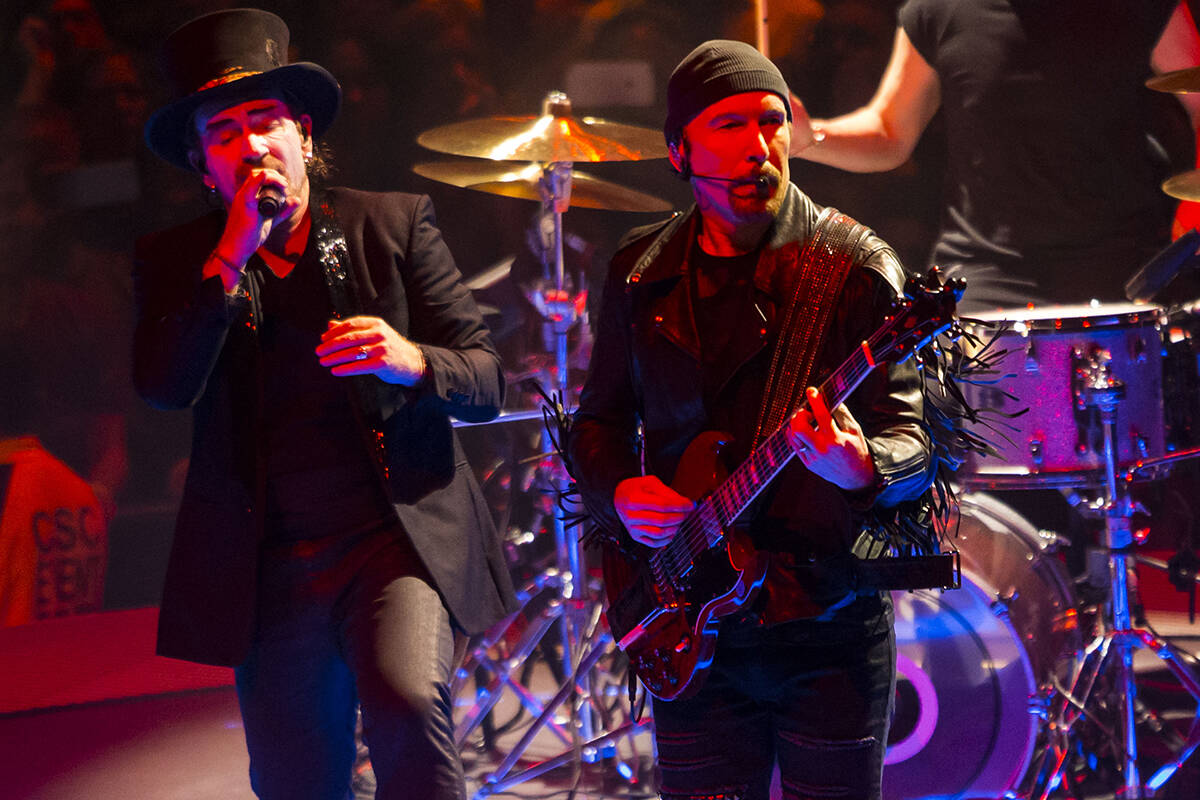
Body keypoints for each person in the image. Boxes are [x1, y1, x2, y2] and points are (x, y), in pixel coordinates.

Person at [133, 9, 515, 799]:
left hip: (391, 537)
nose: (251, 145)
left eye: (265, 121)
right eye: (225, 131)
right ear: (204, 164)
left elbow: (488, 380)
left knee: (407, 704)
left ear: (302, 136)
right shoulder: (178, 261)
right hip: (267, 559)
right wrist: (230, 256)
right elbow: (164, 388)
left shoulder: (394, 225)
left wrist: (412, 360)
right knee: (295, 777)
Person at [567, 40, 936, 800]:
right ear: (679, 150)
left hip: (825, 624)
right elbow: (596, 423)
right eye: (729, 125)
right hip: (690, 621)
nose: (759, 146)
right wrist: (618, 492)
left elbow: (918, 445)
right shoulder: (639, 272)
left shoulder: (856, 267)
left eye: (771, 122)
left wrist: (862, 466)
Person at [790, 0, 1200, 310]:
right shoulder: (940, 7)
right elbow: (890, 130)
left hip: (1128, 273)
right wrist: (811, 138)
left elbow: (1197, 96)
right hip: (986, 278)